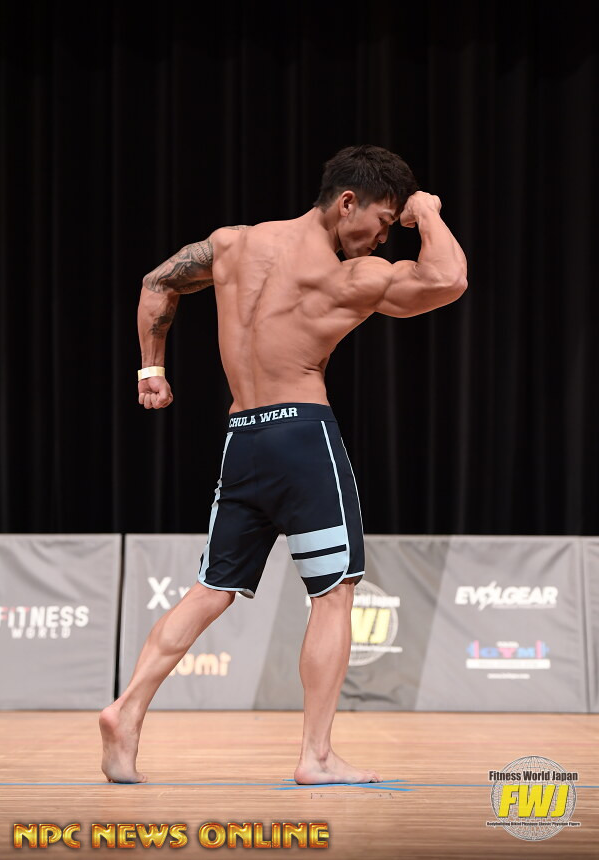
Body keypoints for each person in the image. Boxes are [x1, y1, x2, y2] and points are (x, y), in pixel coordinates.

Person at [100, 144, 467, 785]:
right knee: (334, 593)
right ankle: (317, 755)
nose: (384, 237)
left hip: (242, 438)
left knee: (211, 590)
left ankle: (126, 710)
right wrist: (428, 212)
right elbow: (448, 280)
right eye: (383, 221)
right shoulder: (351, 278)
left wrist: (150, 369)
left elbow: (157, 282)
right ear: (347, 202)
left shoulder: (231, 245)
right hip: (303, 439)